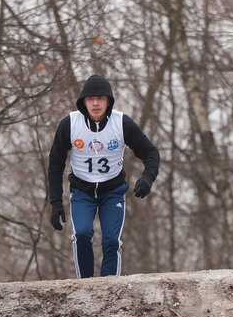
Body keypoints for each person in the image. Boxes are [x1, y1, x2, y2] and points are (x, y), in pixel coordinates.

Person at [47, 74, 160, 278]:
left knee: (111, 241)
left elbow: (151, 152)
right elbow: (55, 163)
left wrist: (147, 178)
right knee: (81, 234)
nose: (96, 103)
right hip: (82, 191)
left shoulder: (121, 123)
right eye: (91, 99)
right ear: (83, 102)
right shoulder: (70, 124)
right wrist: (55, 203)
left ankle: (109, 289)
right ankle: (86, 286)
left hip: (113, 192)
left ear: (109, 101)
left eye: (101, 98)